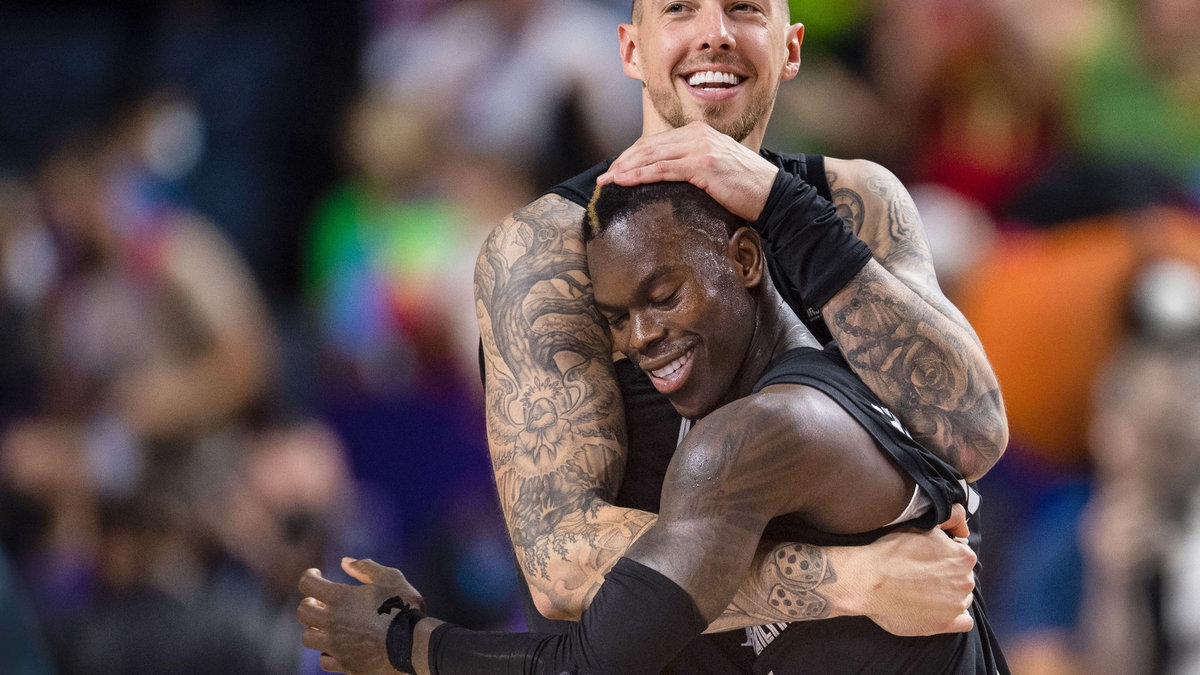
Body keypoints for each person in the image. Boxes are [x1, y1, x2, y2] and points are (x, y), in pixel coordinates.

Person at [306, 0, 1009, 671]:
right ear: (630, 50)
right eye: (679, 10)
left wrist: (780, 205)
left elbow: (974, 434)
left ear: (789, 48)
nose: (714, 34)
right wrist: (853, 578)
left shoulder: (856, 201)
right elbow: (561, 558)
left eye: (743, 9)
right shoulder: (547, 249)